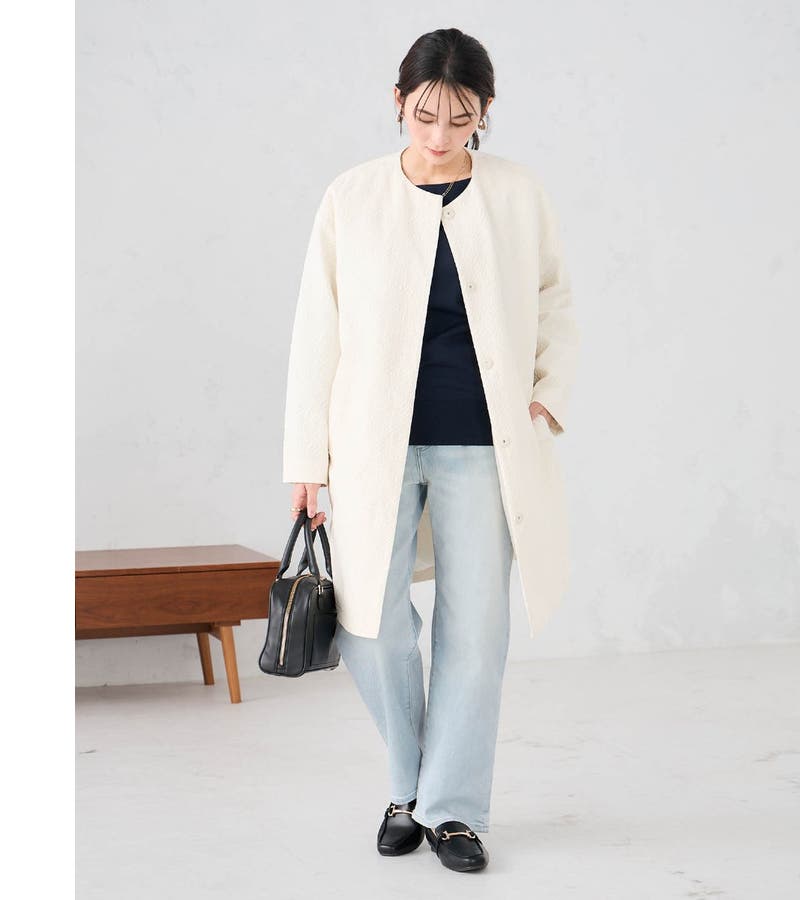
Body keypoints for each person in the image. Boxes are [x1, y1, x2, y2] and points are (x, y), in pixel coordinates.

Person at [283, 28, 579, 875]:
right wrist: (306, 460)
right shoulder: (352, 197)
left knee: (475, 635)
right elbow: (317, 331)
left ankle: (449, 810)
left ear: (485, 111)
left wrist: (547, 393)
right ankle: (411, 783)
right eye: (424, 116)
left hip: (483, 444)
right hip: (370, 445)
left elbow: (557, 298)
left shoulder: (517, 193)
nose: (441, 135)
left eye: (460, 117)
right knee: (370, 627)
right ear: (397, 103)